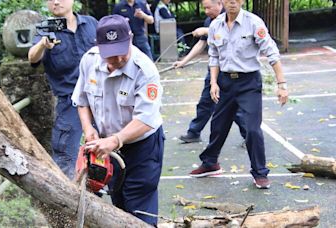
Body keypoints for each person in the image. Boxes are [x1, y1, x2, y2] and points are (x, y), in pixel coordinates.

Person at [72, 15, 165, 225]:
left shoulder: (145, 70)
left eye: (122, 52)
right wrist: (88, 129)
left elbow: (146, 118)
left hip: (142, 146)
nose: (118, 60)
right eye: (111, 55)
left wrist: (115, 140)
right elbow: (82, 100)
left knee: (139, 208)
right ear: (99, 47)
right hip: (108, 147)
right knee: (119, 201)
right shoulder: (89, 60)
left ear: (130, 38)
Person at [189, 0, 288, 189]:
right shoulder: (216, 24)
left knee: (252, 129)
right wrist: (213, 83)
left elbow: (272, 53)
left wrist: (281, 84)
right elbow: (214, 56)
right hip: (225, 82)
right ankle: (210, 163)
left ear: (242, 1)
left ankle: (259, 173)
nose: (232, 2)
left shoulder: (253, 22)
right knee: (218, 125)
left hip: (248, 83)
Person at [28, 0, 97, 180]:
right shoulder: (45, 28)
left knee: (103, 155)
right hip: (69, 104)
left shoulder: (90, 24)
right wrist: (43, 44)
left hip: (99, 99)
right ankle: (69, 203)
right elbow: (32, 58)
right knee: (67, 160)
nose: (56, 2)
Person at [175, 0, 246, 143]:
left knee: (232, 107)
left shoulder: (231, 16)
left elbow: (231, 33)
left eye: (209, 7)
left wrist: (207, 30)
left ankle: (249, 135)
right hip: (214, 70)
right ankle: (194, 132)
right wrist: (184, 61)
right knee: (205, 102)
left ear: (219, 4)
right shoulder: (209, 20)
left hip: (230, 71)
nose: (206, 11)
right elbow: (201, 44)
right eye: (204, 8)